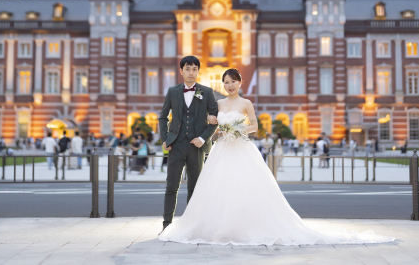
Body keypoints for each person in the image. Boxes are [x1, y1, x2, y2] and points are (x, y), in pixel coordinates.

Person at [159, 68, 394, 246]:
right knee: (217, 187)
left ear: (240, 83)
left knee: (248, 187)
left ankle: (245, 225)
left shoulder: (246, 102)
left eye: (233, 82)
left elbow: (254, 127)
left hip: (241, 147)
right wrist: (217, 127)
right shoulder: (218, 103)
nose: (229, 86)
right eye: (226, 83)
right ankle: (214, 224)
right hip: (222, 149)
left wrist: (236, 129)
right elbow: (211, 123)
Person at [158, 56, 219, 233]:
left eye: (194, 69)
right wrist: (165, 138)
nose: (191, 72)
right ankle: (166, 225)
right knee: (171, 186)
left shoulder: (207, 92)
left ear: (198, 71)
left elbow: (215, 120)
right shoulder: (173, 91)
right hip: (176, 145)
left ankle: (192, 226)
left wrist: (203, 138)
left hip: (197, 147)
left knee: (194, 188)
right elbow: (162, 117)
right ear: (181, 71)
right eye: (187, 69)